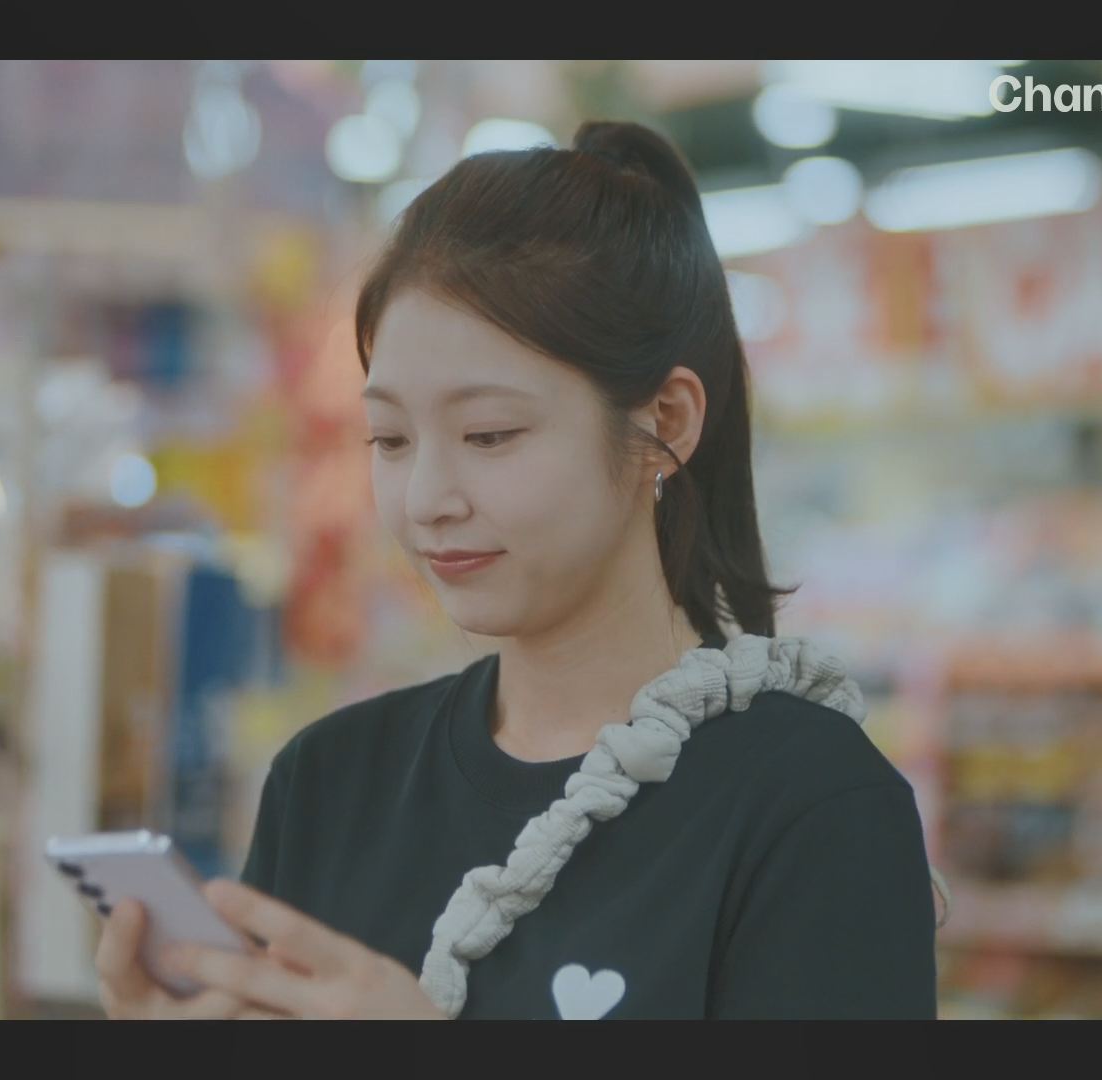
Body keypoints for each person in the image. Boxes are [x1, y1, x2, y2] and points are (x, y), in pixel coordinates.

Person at [95, 119, 942, 1020]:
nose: (427, 498)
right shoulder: (329, 782)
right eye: (389, 439)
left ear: (665, 421)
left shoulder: (814, 803)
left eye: (489, 435)